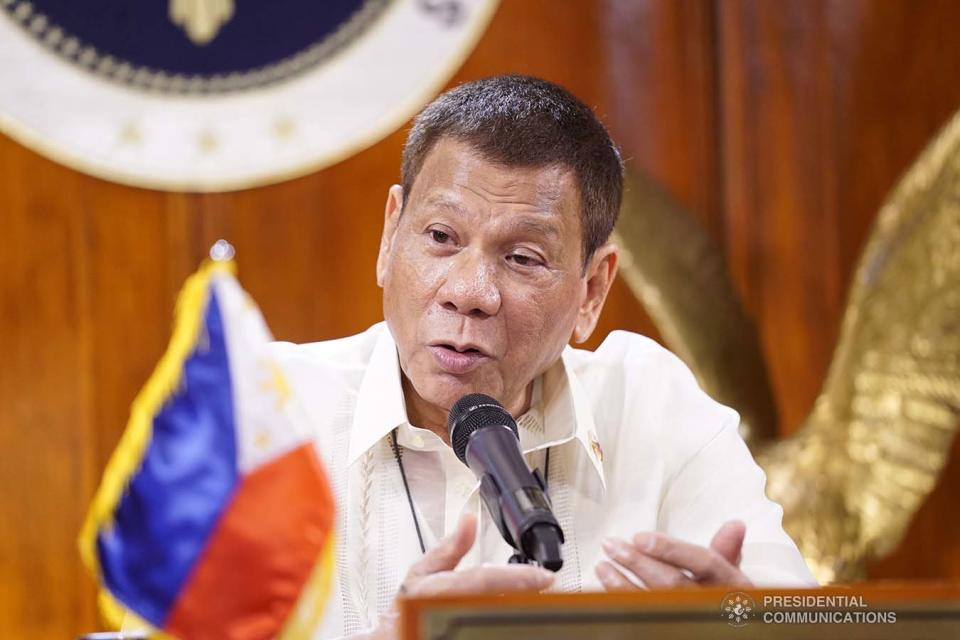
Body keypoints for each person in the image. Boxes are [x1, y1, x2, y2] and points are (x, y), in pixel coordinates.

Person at [271, 74, 816, 639]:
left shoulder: (654, 413)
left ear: (592, 291)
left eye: (524, 257)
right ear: (391, 236)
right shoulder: (265, 416)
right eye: (440, 236)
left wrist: (752, 631)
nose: (470, 291)